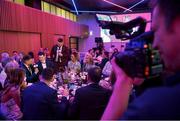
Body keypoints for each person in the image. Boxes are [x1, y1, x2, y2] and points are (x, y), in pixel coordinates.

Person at [102, 0, 180, 120]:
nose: (155, 44)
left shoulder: (155, 106)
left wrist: (123, 81)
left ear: (177, 24)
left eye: (157, 30)